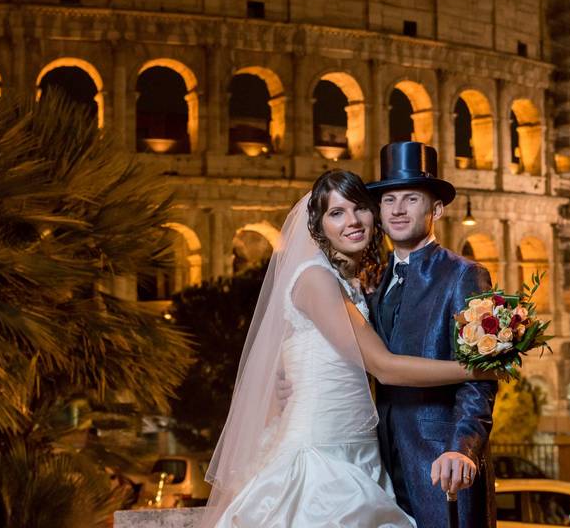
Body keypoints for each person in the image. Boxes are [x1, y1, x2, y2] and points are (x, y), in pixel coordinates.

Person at [200, 169, 498, 528]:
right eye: (336, 213)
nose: (352, 221)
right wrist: (478, 367)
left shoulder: (360, 281)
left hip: (363, 450)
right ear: (318, 226)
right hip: (321, 451)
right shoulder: (316, 278)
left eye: (359, 208)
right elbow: (383, 366)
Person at [366, 141, 498, 528]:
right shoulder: (377, 277)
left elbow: (482, 377)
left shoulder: (464, 274)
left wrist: (463, 448)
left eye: (411, 199)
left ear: (436, 209)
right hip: (381, 460)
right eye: (389, 200)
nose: (398, 210)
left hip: (440, 460)